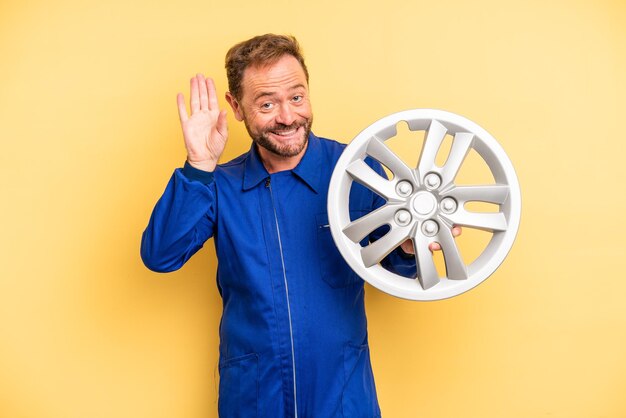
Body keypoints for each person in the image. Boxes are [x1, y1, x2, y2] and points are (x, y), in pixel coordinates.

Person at [141, 34, 460, 418]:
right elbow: (160, 255)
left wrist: (411, 246)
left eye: (296, 97)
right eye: (266, 103)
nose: (288, 117)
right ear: (236, 107)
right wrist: (198, 164)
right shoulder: (218, 185)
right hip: (254, 398)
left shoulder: (357, 171)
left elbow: (393, 263)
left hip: (342, 395)